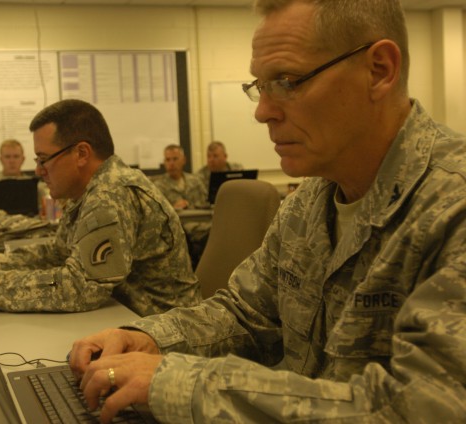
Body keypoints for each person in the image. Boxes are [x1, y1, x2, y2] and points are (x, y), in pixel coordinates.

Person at [68, 1, 466, 422]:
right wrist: (144, 339)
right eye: (259, 86)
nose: (262, 111)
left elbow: (423, 407)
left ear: (379, 70)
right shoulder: (309, 203)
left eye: (289, 81)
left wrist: (177, 384)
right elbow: (245, 314)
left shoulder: (451, 205)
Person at [0, 99, 201, 317]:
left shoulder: (111, 193)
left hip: (161, 330)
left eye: (44, 159)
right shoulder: (90, 192)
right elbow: (57, 255)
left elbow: (80, 289)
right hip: (125, 316)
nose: (38, 170)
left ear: (81, 153)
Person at [153, 145, 208, 210]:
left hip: (196, 219)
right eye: (168, 160)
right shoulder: (158, 186)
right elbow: (156, 212)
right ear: (164, 162)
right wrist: (173, 209)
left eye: (175, 159)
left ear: (183, 160)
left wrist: (188, 204)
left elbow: (206, 204)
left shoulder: (196, 181)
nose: (171, 163)